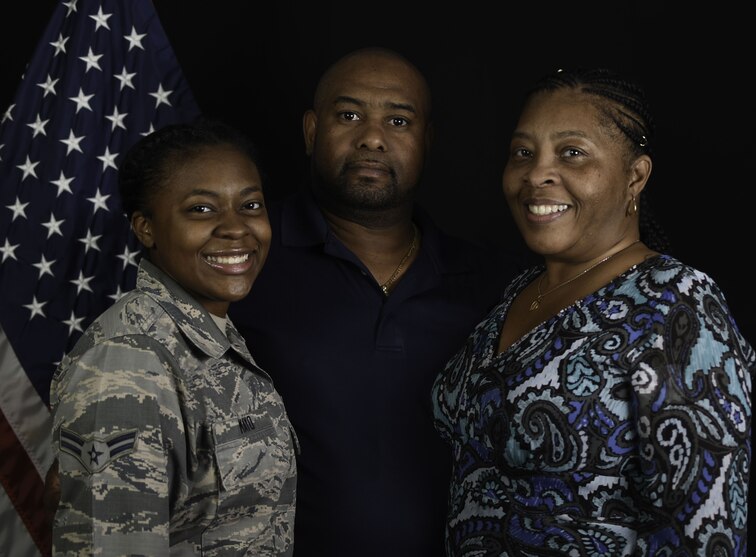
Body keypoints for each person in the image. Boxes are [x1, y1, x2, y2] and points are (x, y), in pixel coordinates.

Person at [431, 67, 756, 556]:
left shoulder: (677, 305)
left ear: (635, 176)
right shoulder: (518, 293)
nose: (536, 173)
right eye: (523, 152)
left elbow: (705, 533)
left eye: (572, 153)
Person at [228, 47, 524, 556]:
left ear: (426, 141)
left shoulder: (494, 284)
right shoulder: (242, 255)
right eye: (349, 115)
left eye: (398, 120)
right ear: (310, 130)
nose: (372, 137)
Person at [49, 118, 297, 555]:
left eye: (251, 205)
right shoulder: (128, 363)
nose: (236, 227)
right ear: (146, 228)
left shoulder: (210, 335)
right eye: (201, 209)